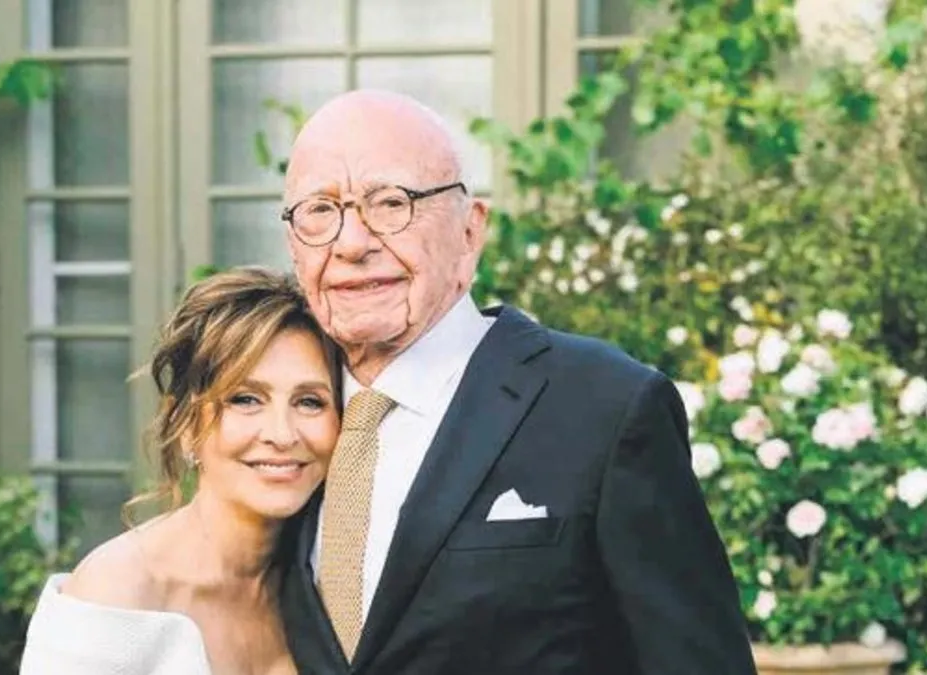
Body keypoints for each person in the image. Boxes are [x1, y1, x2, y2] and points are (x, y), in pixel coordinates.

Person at [276, 89, 759, 675]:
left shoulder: (605, 408)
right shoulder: (271, 426)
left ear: (470, 232)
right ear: (294, 246)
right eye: (320, 211)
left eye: (391, 203)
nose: (352, 243)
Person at [19, 267, 342, 675]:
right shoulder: (117, 592)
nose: (282, 434)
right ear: (186, 423)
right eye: (245, 399)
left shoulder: (329, 587)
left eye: (310, 402)